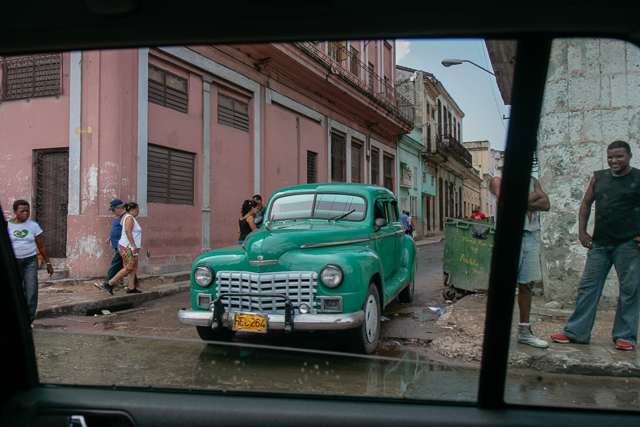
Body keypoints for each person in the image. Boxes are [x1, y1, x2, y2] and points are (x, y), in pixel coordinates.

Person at [551, 140, 640, 351]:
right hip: (600, 244)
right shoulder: (598, 177)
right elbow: (585, 203)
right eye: (610, 157)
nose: (614, 160)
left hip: (628, 244)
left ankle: (625, 336)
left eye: (619, 156)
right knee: (587, 288)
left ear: (629, 156)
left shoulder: (638, 178)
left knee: (630, 290)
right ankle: (576, 332)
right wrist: (582, 232)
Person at [490, 174, 550, 348]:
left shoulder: (532, 180)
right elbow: (507, 204)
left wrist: (518, 202)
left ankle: (524, 332)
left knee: (526, 286)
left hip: (530, 237)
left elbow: (546, 204)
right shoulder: (498, 181)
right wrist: (533, 198)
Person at [7, 199, 54, 325]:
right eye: (22, 211)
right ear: (15, 212)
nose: (25, 213)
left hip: (30, 261)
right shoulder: (7, 225)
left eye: (27, 211)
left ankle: (28, 321)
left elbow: (41, 246)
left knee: (31, 291)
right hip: (13, 263)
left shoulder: (33, 226)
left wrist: (48, 263)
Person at [95, 199, 139, 295]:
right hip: (126, 246)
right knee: (127, 266)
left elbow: (125, 231)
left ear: (120, 208)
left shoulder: (125, 217)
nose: (113, 212)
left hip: (126, 246)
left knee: (130, 266)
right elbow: (126, 232)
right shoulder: (126, 217)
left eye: (114, 210)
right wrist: (110, 238)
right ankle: (109, 283)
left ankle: (132, 286)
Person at [105, 202, 142, 294]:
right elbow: (128, 232)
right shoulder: (129, 217)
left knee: (133, 267)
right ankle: (110, 283)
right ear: (132, 210)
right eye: (137, 210)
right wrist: (133, 246)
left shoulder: (127, 217)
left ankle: (131, 287)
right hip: (128, 246)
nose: (138, 212)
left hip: (129, 246)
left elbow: (124, 226)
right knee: (129, 267)